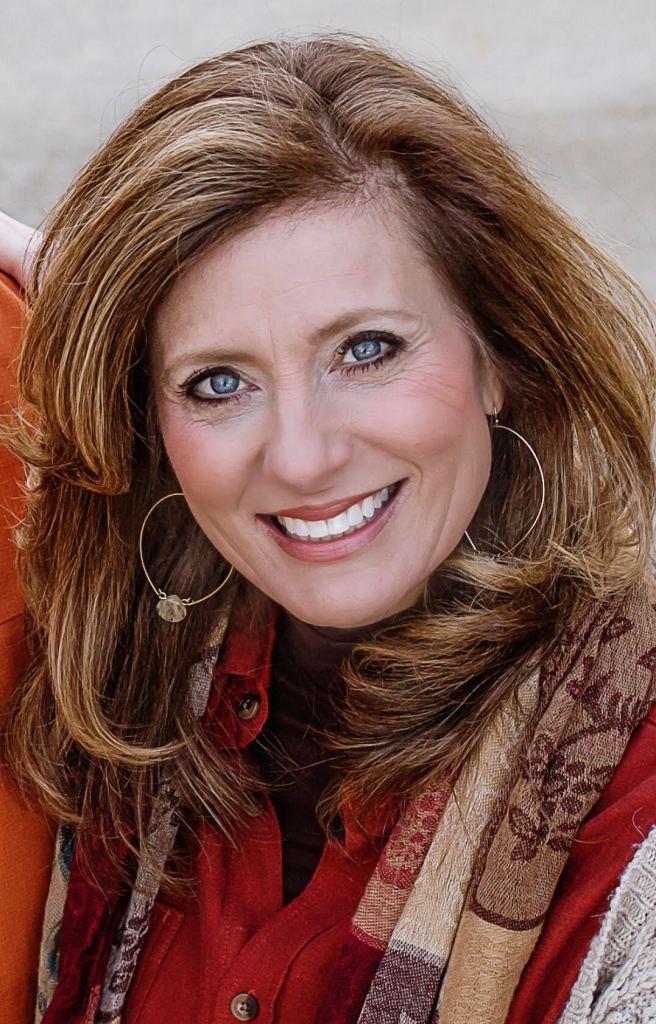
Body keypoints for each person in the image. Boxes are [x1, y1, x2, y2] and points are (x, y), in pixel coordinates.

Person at [1, 32, 656, 1024]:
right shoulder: (113, 694)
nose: (302, 458)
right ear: (151, 422)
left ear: (498, 354)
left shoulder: (630, 820)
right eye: (218, 382)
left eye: (367, 349)